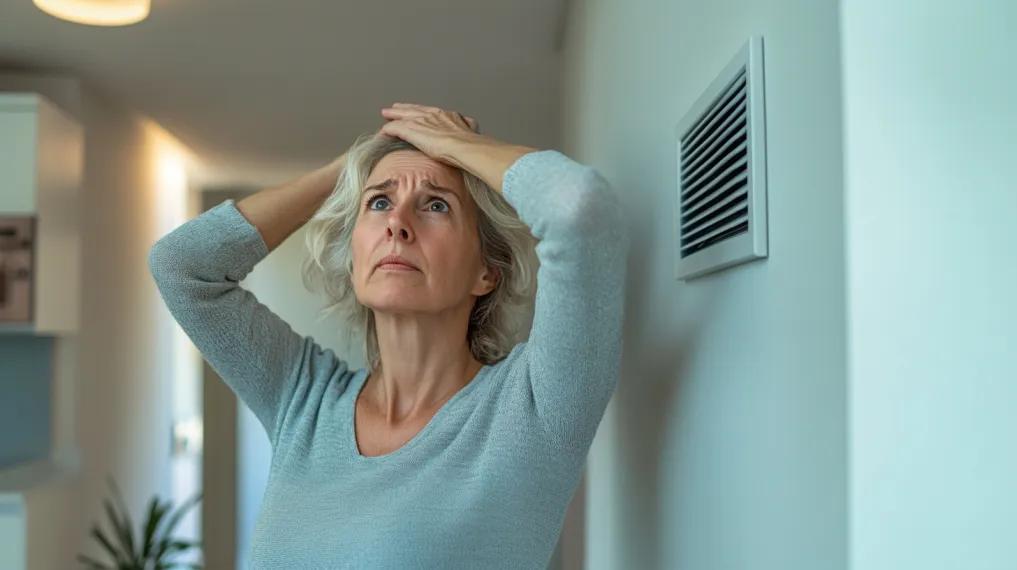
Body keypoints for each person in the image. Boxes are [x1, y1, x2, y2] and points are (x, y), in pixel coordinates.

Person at [148, 102, 630, 569]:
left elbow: (579, 208)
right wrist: (353, 168)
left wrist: (454, 143)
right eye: (379, 202)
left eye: (436, 205)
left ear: (486, 271)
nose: (397, 223)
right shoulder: (304, 401)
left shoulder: (533, 409)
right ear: (355, 254)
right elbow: (180, 266)